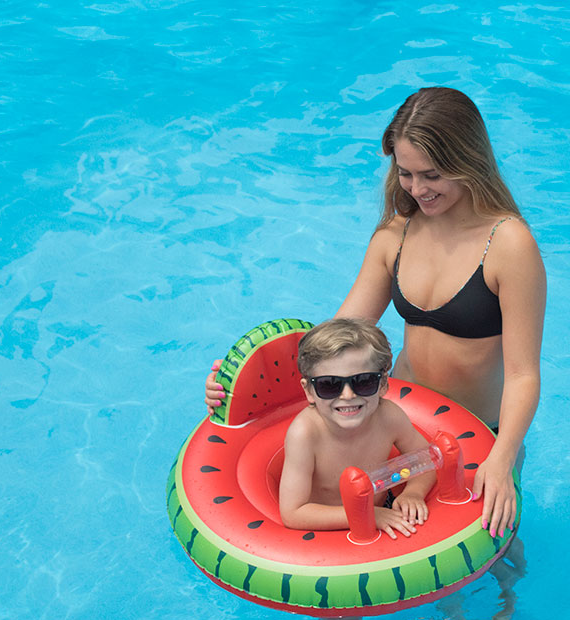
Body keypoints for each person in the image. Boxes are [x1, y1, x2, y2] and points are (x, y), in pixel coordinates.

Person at [207, 87, 545, 540]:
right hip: (397, 421)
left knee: (495, 554)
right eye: (405, 173)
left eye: (432, 174)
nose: (418, 189)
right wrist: (244, 383)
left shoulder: (509, 245)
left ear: (469, 162)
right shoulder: (395, 235)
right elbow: (337, 338)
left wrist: (502, 459)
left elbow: (523, 373)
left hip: (480, 432)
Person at [278, 317, 435, 539]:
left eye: (363, 381)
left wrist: (413, 493)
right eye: (329, 385)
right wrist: (368, 514)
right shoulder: (305, 434)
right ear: (309, 392)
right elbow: (294, 513)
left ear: (382, 384)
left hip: (382, 510)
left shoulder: (389, 416)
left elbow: (427, 459)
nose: (348, 395)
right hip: (325, 529)